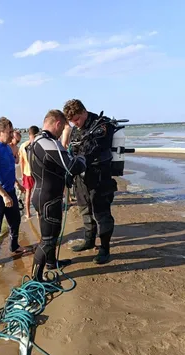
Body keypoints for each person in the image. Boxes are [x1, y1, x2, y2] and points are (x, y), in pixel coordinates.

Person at [29, 110, 86, 282]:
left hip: (42, 194)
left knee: (51, 235)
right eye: (63, 129)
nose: (62, 132)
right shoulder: (48, 143)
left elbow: (53, 167)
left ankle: (52, 263)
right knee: (48, 239)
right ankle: (36, 279)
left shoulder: (36, 141)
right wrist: (82, 158)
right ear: (58, 124)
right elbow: (73, 166)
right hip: (48, 198)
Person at [63, 99, 118, 264]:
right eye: (72, 122)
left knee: (102, 214)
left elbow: (90, 151)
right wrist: (69, 171)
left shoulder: (102, 125)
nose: (75, 124)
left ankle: (105, 249)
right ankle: (89, 240)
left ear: (84, 112)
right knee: (84, 210)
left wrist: (73, 169)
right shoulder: (75, 130)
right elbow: (72, 151)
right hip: (81, 179)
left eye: (77, 119)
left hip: (100, 177)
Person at [0, 117, 28, 270]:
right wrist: (3, 195)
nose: (12, 135)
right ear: (0, 132)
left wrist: (18, 184)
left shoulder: (7, 148)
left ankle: (14, 246)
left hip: (9, 191)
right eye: (9, 132)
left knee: (15, 219)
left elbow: (9, 169)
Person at [19, 125, 39, 219]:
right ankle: (38, 212)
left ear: (29, 134)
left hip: (27, 173)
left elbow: (21, 162)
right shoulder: (39, 144)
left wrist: (22, 174)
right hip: (36, 172)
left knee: (28, 193)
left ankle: (28, 213)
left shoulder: (23, 145)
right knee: (36, 193)